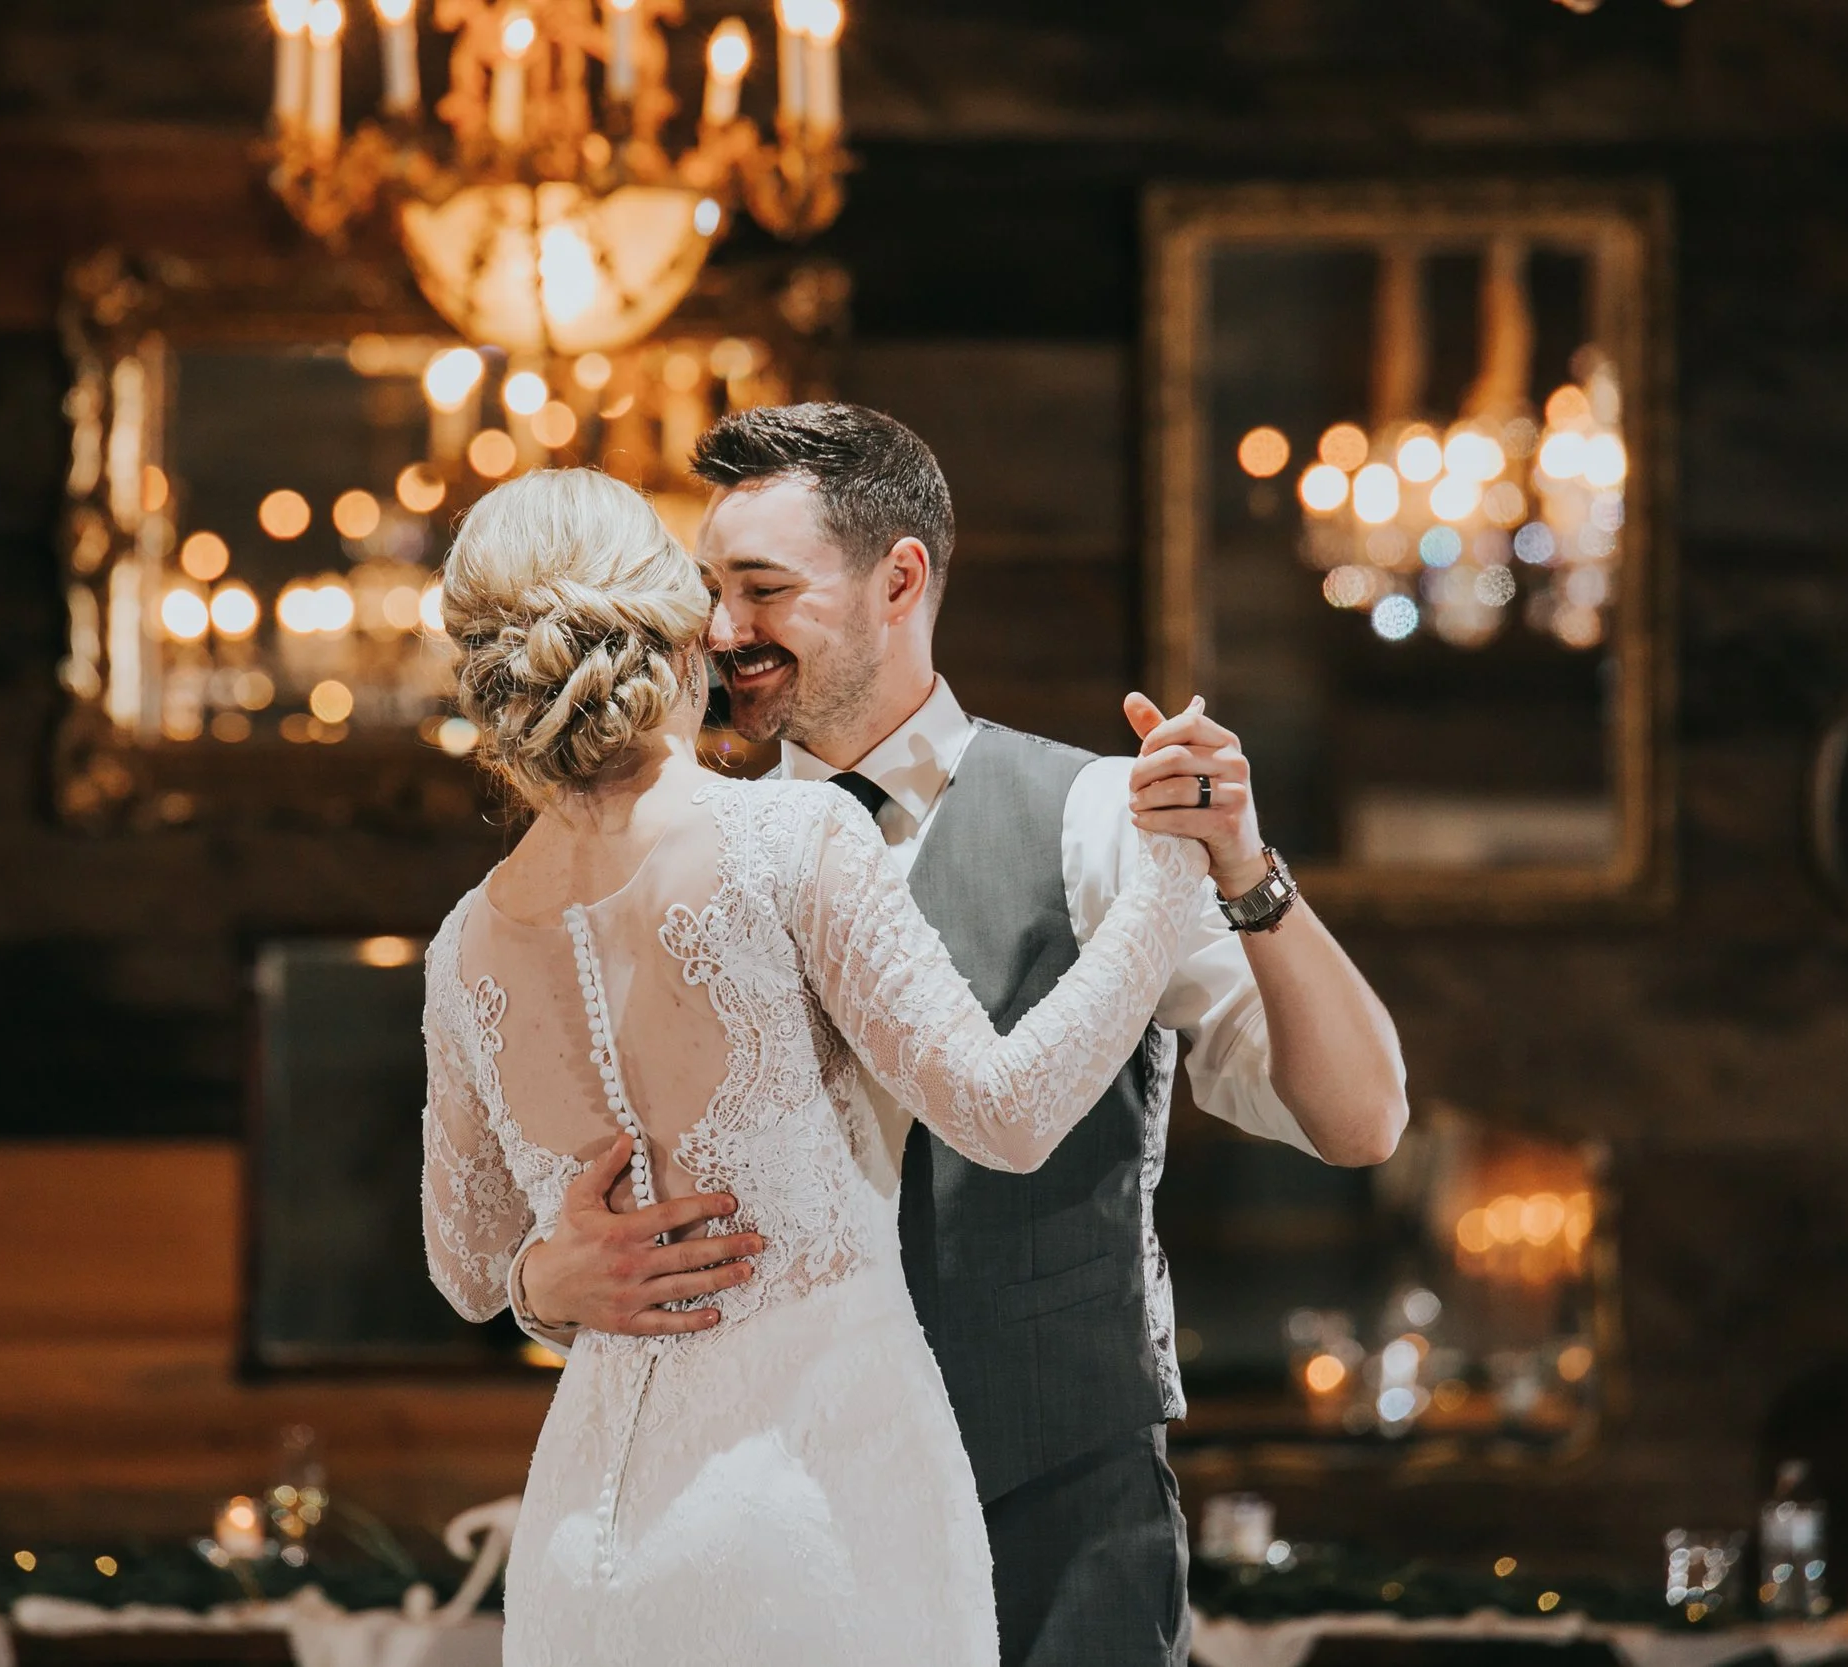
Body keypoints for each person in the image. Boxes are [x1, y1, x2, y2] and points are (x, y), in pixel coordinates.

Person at [516, 404, 1410, 1666]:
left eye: (761, 588)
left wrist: (1248, 867)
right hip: (777, 1525)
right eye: (709, 591)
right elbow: (551, 1196)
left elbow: (1362, 1117)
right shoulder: (682, 859)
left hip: (1050, 1511)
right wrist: (543, 1282)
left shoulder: (1098, 819)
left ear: (899, 577)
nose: (720, 633)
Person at [419, 467, 1217, 1665]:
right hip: (814, 1496)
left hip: (586, 1532)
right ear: (678, 623)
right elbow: (1002, 1112)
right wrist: (1163, 879)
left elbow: (469, 1267)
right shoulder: (787, 841)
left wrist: (548, 1278)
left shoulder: (466, 939)